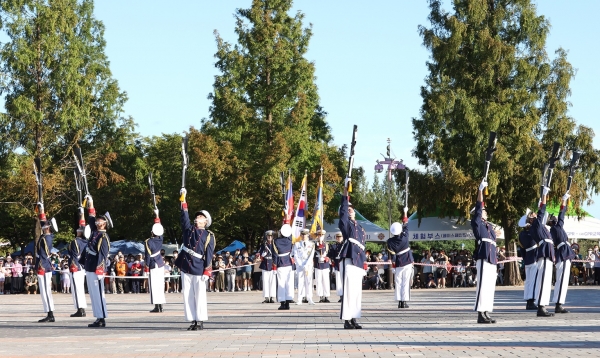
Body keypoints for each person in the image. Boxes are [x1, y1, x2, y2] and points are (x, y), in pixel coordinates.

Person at [175, 188, 215, 331]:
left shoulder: (209, 235)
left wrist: (207, 271)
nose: (198, 218)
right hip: (185, 264)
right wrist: (183, 199)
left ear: (205, 221)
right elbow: (184, 216)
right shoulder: (188, 229)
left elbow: (209, 253)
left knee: (199, 295)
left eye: (201, 217)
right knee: (187, 294)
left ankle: (200, 319)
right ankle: (192, 319)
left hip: (198, 266)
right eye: (197, 216)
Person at [338, 178, 367, 329]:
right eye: (347, 208)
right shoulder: (345, 224)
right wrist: (345, 193)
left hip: (358, 261)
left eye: (351, 208)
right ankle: (346, 320)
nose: (350, 209)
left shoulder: (361, 228)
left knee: (356, 292)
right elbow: (343, 212)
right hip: (348, 258)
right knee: (348, 291)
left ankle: (354, 317)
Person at [470, 180, 498, 324]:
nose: (485, 212)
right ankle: (480, 313)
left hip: (492, 258)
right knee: (482, 286)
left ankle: (486, 311)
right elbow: (479, 207)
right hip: (483, 257)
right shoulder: (477, 223)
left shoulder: (489, 226)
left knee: (489, 287)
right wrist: (480, 191)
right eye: (483, 211)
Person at [81, 197, 111, 328]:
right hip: (90, 266)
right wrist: (91, 203)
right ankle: (98, 316)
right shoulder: (95, 232)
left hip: (96, 267)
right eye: (97, 220)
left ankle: (102, 318)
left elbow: (103, 254)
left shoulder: (103, 237)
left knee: (99, 294)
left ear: (104, 223)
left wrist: (100, 269)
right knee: (93, 294)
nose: (97, 222)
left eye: (100, 220)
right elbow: (91, 218)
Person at [529, 186, 556, 317]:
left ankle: (543, 305)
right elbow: (542, 210)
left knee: (546, 281)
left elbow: (542, 212)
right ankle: (540, 306)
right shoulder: (536, 225)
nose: (535, 214)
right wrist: (544, 195)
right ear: (531, 219)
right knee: (543, 280)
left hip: (548, 252)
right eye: (532, 215)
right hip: (544, 253)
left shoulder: (539, 225)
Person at [549, 193, 577, 313]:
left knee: (563, 280)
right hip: (563, 253)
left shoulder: (556, 228)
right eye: (552, 218)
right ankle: (558, 304)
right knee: (562, 280)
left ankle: (559, 303)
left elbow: (561, 216)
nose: (555, 218)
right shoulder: (554, 228)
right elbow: (561, 216)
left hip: (564, 252)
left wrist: (564, 202)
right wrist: (563, 202)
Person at [35, 205, 57, 323]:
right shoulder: (46, 236)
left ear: (48, 228)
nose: (43, 226)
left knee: (46, 291)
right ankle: (49, 313)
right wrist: (42, 209)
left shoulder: (47, 238)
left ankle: (50, 314)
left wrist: (42, 266)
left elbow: (46, 254)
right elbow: (42, 220)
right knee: (44, 291)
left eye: (46, 225)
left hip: (43, 266)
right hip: (42, 265)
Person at [387, 212, 413, 309]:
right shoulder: (405, 237)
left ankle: (399, 302)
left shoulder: (389, 241)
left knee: (398, 282)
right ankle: (404, 301)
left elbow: (392, 254)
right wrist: (405, 213)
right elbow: (406, 225)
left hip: (398, 263)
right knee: (406, 282)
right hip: (407, 261)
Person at [68, 210, 88, 317]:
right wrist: (82, 213)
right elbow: (83, 225)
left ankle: (80, 309)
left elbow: (74, 255)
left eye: (79, 229)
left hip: (76, 266)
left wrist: (73, 267)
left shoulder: (75, 241)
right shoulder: (86, 241)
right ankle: (82, 308)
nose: (77, 230)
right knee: (80, 289)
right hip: (82, 266)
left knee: (76, 289)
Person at [145, 215, 166, 313]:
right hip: (160, 263)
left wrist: (146, 267)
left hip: (153, 264)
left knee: (154, 286)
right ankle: (160, 306)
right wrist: (157, 216)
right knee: (160, 286)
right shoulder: (160, 239)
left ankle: (157, 307)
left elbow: (148, 255)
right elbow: (160, 229)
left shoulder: (148, 241)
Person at [518, 208, 538, 310]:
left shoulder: (521, 235)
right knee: (533, 281)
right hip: (534, 259)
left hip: (527, 260)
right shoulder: (531, 233)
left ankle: (528, 301)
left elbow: (521, 250)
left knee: (528, 281)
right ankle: (531, 301)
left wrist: (525, 259)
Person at [274, 224, 294, 310]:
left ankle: (282, 303)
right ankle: (288, 303)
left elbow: (275, 255)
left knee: (281, 283)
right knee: (289, 284)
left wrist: (274, 265)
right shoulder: (290, 241)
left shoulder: (276, 241)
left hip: (281, 264)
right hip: (289, 264)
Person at [293, 228, 315, 305]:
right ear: (301, 235)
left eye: (305, 234)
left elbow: (311, 255)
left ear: (308, 235)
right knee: (300, 282)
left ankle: (310, 299)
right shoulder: (297, 244)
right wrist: (300, 264)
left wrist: (306, 265)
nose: (304, 236)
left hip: (308, 266)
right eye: (302, 234)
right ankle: (299, 299)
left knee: (309, 282)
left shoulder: (312, 244)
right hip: (300, 266)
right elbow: (295, 255)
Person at [314, 229, 332, 303]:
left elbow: (330, 255)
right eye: (319, 235)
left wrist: (328, 258)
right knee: (319, 281)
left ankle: (326, 296)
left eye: (322, 235)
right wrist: (319, 244)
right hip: (318, 265)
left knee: (326, 281)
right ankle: (321, 296)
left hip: (325, 265)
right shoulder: (314, 245)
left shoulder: (327, 245)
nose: (320, 237)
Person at [259, 230, 276, 303]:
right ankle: (266, 297)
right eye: (268, 236)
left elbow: (277, 254)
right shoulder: (263, 245)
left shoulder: (275, 245)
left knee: (273, 281)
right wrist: (263, 253)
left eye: (271, 236)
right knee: (265, 281)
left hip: (272, 264)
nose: (269, 237)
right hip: (265, 264)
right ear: (266, 237)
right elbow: (259, 254)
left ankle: (272, 297)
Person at [329, 232, 344, 302]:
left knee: (344, 281)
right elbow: (330, 254)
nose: (339, 238)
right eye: (337, 237)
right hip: (337, 266)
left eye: (340, 237)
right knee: (338, 282)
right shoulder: (333, 246)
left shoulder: (345, 245)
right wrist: (332, 259)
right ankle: (341, 296)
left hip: (343, 266)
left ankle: (345, 295)